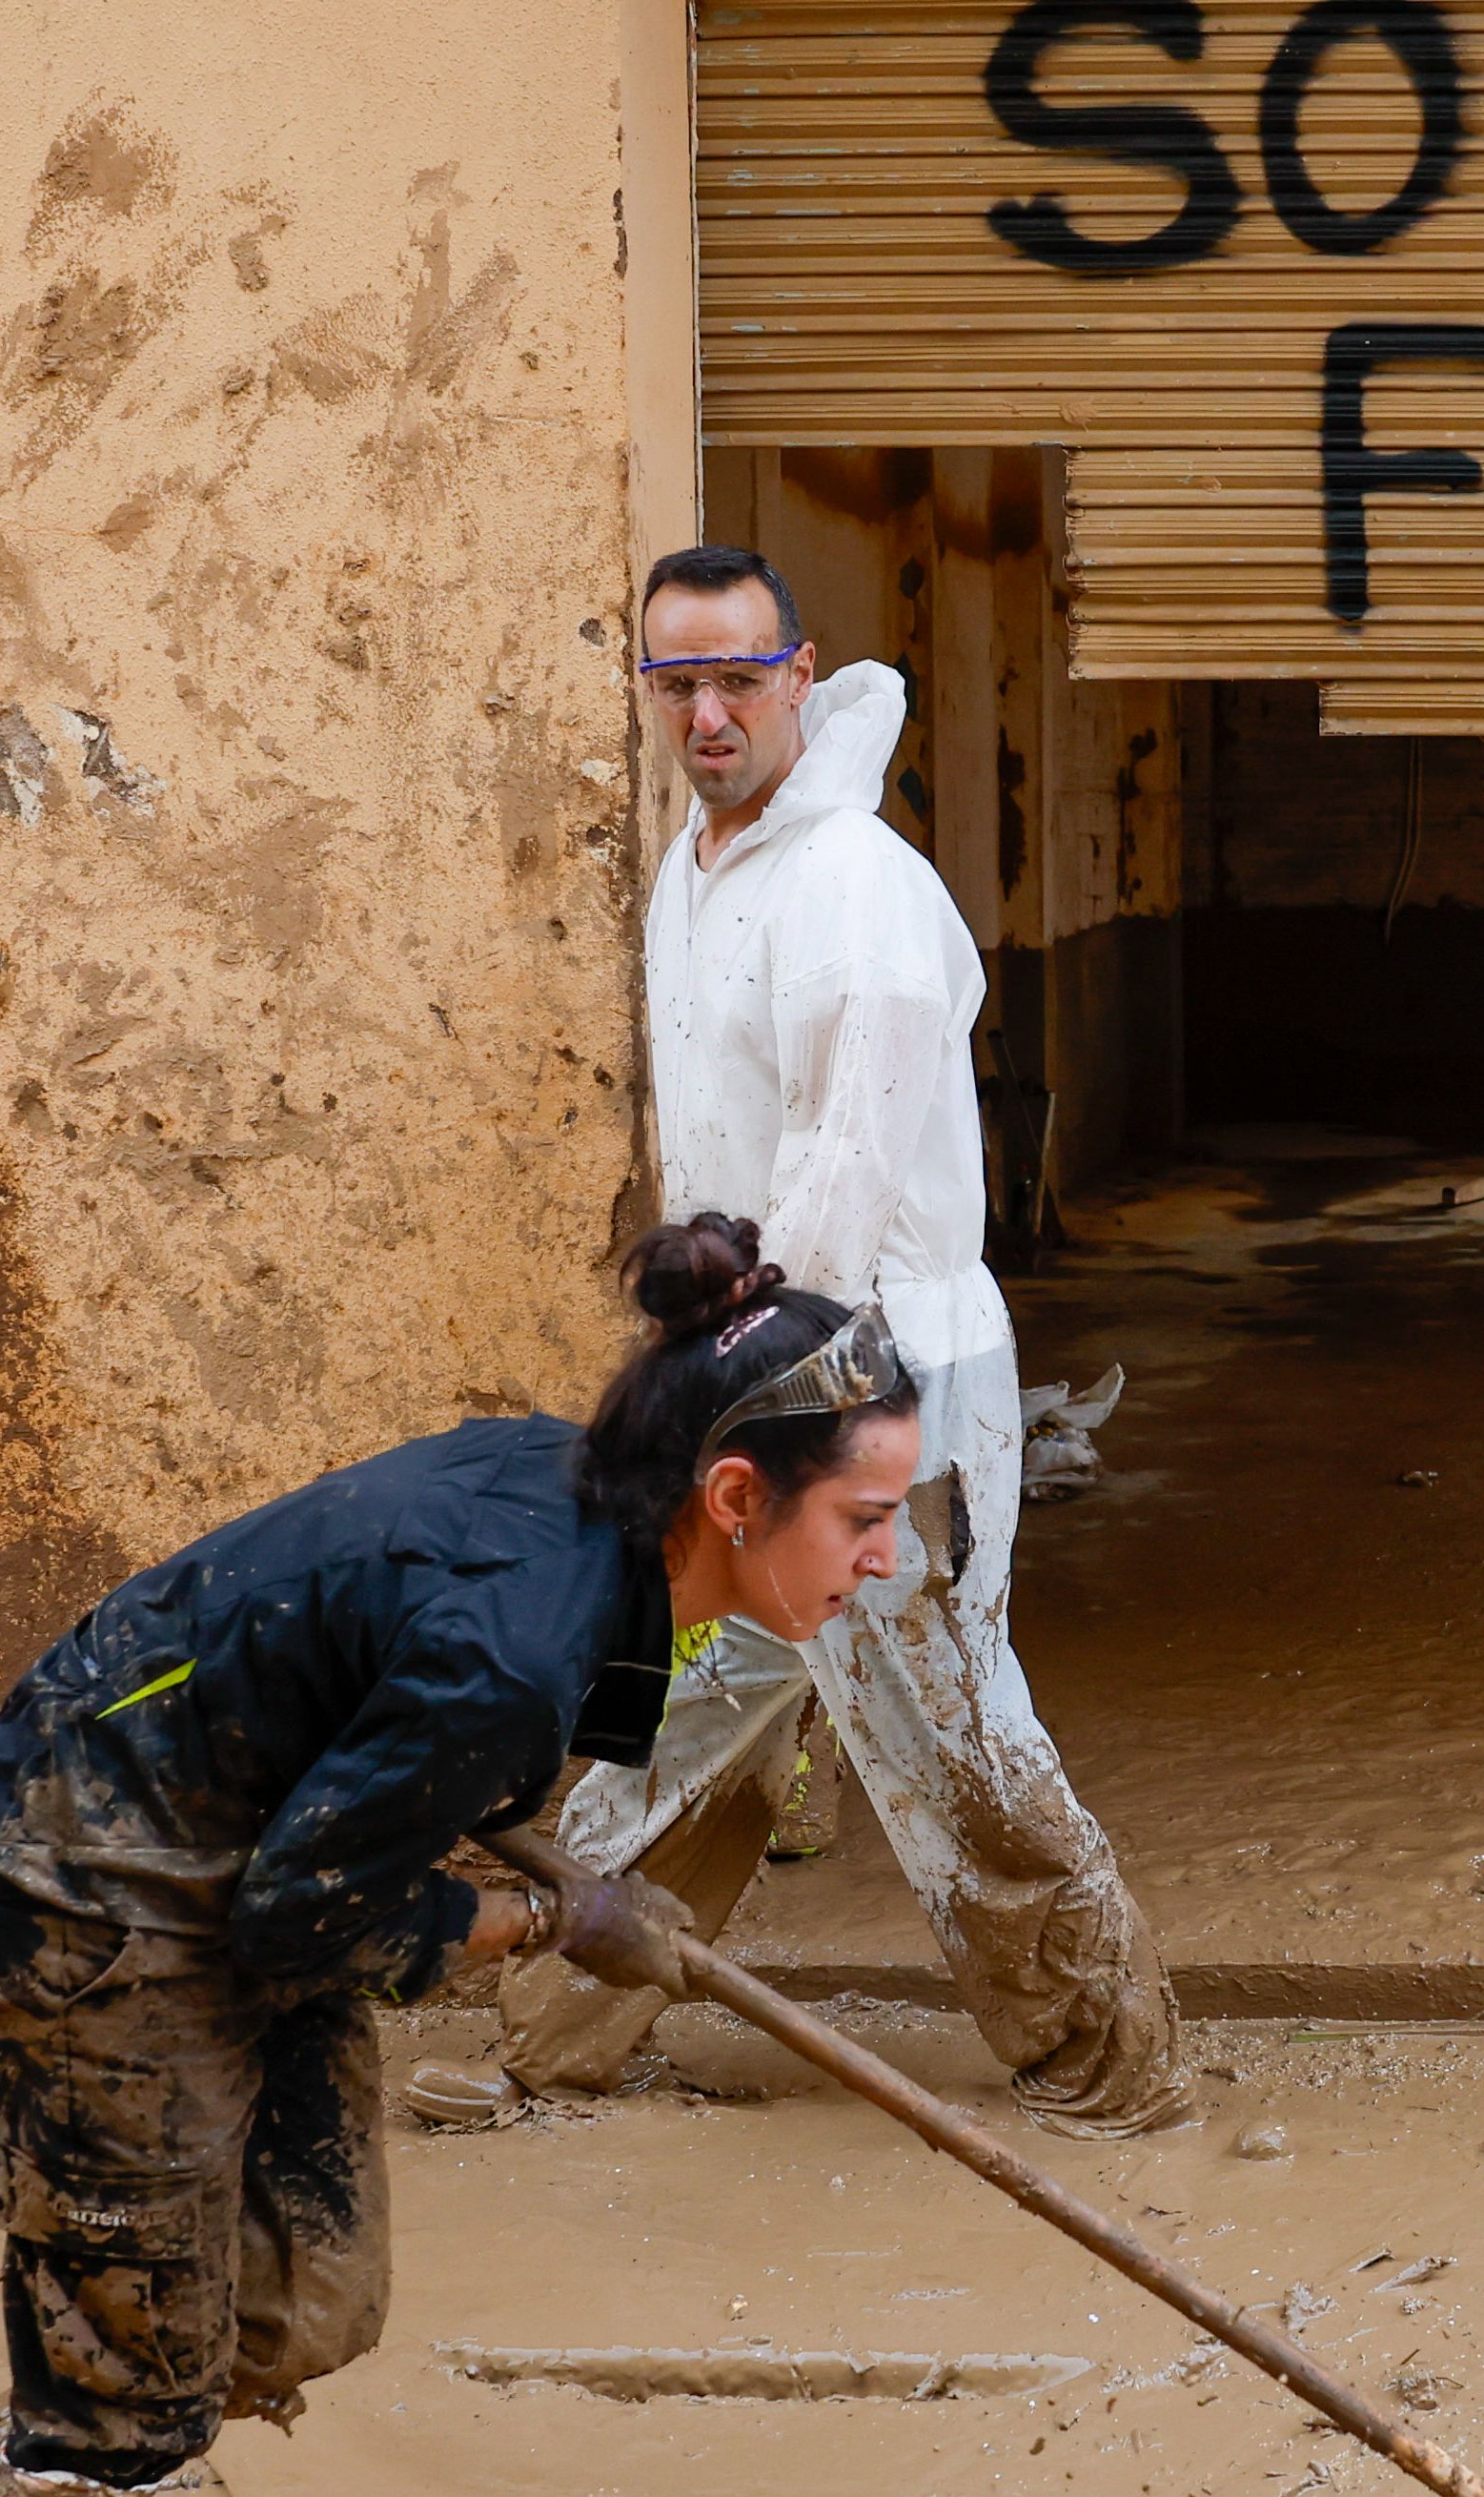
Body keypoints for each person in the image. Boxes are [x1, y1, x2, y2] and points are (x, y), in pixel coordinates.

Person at [0, 1222, 918, 2497]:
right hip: (85, 1878)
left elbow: (332, 1830)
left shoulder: (571, 1491)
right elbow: (315, 1920)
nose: (883, 1558)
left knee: (309, 2305)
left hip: (245, 1847)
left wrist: (492, 1867)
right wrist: (557, 1918)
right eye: (863, 1518)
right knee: (133, 2381)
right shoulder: (513, 1644)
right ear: (733, 1498)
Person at [496, 542, 1184, 2134]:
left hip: (881, 1382)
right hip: (755, 1370)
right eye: (679, 684)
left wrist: (725, 1370)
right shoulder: (700, 866)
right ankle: (553, 2025)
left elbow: (843, 1177)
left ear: (802, 677)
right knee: (679, 1691)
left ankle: (1110, 2065)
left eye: (741, 678)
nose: (710, 713)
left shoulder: (851, 889)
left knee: (946, 1727)